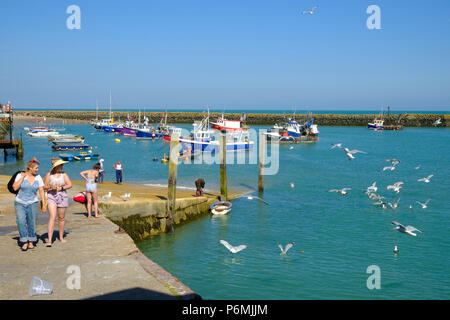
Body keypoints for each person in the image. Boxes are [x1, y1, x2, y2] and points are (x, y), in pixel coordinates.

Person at [12, 158, 46, 251]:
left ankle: (31, 241)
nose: (37, 170)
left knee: (32, 223)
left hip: (33, 203)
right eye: (36, 168)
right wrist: (23, 177)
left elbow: (41, 191)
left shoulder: (38, 177)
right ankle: (24, 241)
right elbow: (15, 188)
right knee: (21, 222)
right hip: (20, 203)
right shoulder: (20, 175)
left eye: (38, 168)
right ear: (30, 168)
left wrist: (43, 204)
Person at [44, 158, 72, 247]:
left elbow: (70, 184)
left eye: (62, 164)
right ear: (56, 166)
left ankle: (61, 237)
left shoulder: (64, 174)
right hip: (51, 196)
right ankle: (49, 240)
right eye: (61, 164)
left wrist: (61, 188)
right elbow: (44, 186)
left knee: (61, 217)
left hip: (62, 196)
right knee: (52, 217)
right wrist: (50, 187)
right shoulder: (49, 174)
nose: (62, 166)